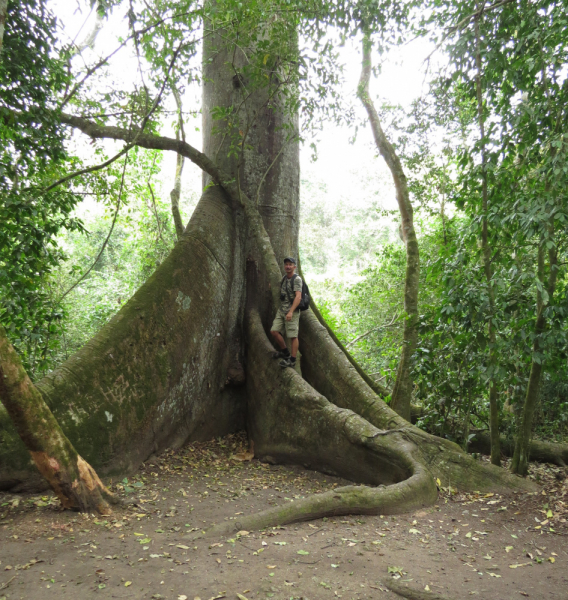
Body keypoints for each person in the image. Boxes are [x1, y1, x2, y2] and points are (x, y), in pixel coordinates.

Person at [270, 257, 302, 368]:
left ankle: (292, 360)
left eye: (290, 264)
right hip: (281, 310)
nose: (288, 266)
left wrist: (291, 312)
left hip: (291, 312)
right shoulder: (284, 278)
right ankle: (285, 353)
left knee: (293, 336)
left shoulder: (297, 279)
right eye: (286, 264)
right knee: (274, 331)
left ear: (294, 267)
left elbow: (298, 297)